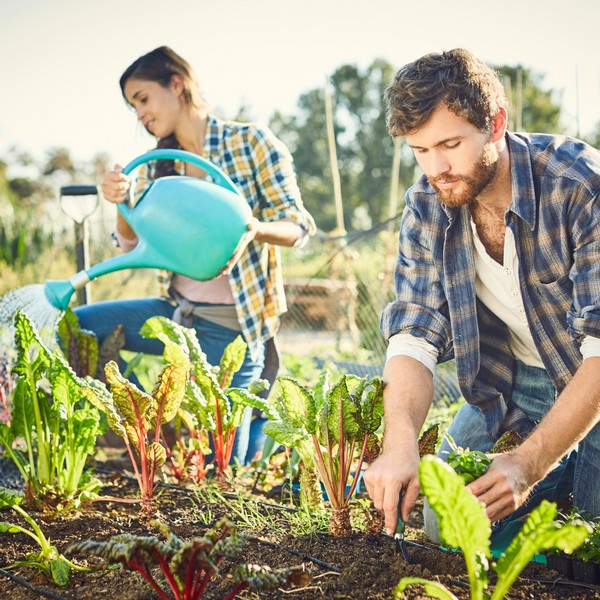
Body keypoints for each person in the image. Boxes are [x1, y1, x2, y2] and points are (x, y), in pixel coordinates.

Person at [363, 48, 600, 542]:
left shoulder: (579, 188)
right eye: (420, 151)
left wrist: (528, 464)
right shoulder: (428, 204)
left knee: (589, 543)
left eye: (450, 144)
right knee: (443, 525)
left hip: (590, 380)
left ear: (495, 124)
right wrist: (401, 440)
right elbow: (413, 335)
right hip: (514, 384)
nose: (436, 168)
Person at [75, 46, 315, 466]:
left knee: (221, 468)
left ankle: (238, 442)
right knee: (79, 328)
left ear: (177, 83)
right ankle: (149, 422)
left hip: (232, 331)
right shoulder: (156, 166)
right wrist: (120, 199)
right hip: (175, 316)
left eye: (143, 99)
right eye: (133, 106)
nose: (140, 114)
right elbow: (130, 246)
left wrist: (255, 229)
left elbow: (299, 227)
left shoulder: (251, 143)